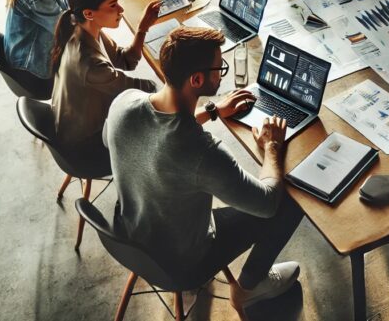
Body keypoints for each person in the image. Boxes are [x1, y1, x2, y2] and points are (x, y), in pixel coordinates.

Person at [104, 26, 303, 309]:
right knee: (292, 202)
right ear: (197, 79)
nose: (221, 71)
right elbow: (267, 202)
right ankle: (248, 287)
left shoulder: (123, 103)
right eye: (219, 67)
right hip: (183, 263)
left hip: (131, 235)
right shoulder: (202, 152)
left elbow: (142, 136)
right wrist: (272, 147)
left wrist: (212, 111)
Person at [50, 0, 159, 165]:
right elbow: (138, 89)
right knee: (161, 123)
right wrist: (167, 83)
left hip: (77, 121)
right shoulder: (89, 62)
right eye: (113, 5)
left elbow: (125, 61)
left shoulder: (83, 28)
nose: (121, 9)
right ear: (89, 13)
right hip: (85, 145)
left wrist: (142, 29)